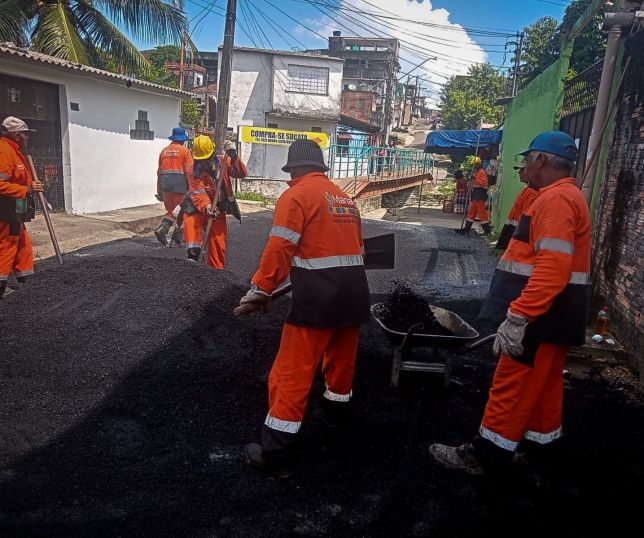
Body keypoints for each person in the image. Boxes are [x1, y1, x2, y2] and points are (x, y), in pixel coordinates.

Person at [429, 131, 590, 479]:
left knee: (510, 385)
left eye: (527, 160)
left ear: (542, 160)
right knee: (544, 387)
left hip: (539, 318)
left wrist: (519, 316)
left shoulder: (557, 200)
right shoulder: (562, 196)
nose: (524, 167)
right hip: (555, 316)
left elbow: (552, 266)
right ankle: (539, 450)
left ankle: (485, 454)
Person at [238, 139, 370, 478]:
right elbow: (353, 250)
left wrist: (261, 289)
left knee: (291, 372)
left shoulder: (295, 196)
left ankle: (276, 452)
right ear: (321, 168)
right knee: (341, 363)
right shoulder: (345, 199)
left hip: (318, 300)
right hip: (354, 293)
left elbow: (281, 246)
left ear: (293, 170)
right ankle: (336, 417)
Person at [181, 137, 247, 268]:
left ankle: (216, 273)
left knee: (218, 241)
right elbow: (198, 193)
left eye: (206, 158)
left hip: (218, 208)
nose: (204, 162)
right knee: (191, 221)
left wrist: (234, 157)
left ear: (212, 153)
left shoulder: (223, 162)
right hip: (198, 207)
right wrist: (207, 206)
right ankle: (193, 258)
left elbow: (241, 173)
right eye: (201, 160)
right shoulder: (192, 170)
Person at [0, 116, 44, 299]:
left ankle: (23, 281)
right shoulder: (4, 151)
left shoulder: (14, 150)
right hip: (5, 209)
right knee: (7, 245)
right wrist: (27, 189)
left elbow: (17, 177)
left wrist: (30, 184)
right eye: (25, 134)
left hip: (14, 209)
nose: (28, 138)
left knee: (22, 243)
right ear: (16, 134)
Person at [154, 127, 193, 246]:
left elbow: (159, 172)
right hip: (180, 186)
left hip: (165, 185)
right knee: (180, 211)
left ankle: (177, 237)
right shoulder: (185, 152)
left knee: (173, 210)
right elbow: (189, 172)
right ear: (182, 140)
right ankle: (163, 229)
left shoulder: (164, 151)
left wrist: (159, 191)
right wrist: (192, 188)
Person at [495, 160, 539, 251]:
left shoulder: (532, 192)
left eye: (522, 170)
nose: (519, 173)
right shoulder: (527, 190)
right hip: (514, 233)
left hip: (519, 238)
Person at [455, 156, 492, 236]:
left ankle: (487, 231)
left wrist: (475, 179)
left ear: (479, 164)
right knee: (471, 213)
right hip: (475, 196)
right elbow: (473, 184)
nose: (474, 166)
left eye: (475, 165)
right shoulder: (477, 173)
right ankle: (466, 229)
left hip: (480, 196)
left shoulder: (482, 172)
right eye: (473, 165)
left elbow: (484, 184)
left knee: (482, 214)